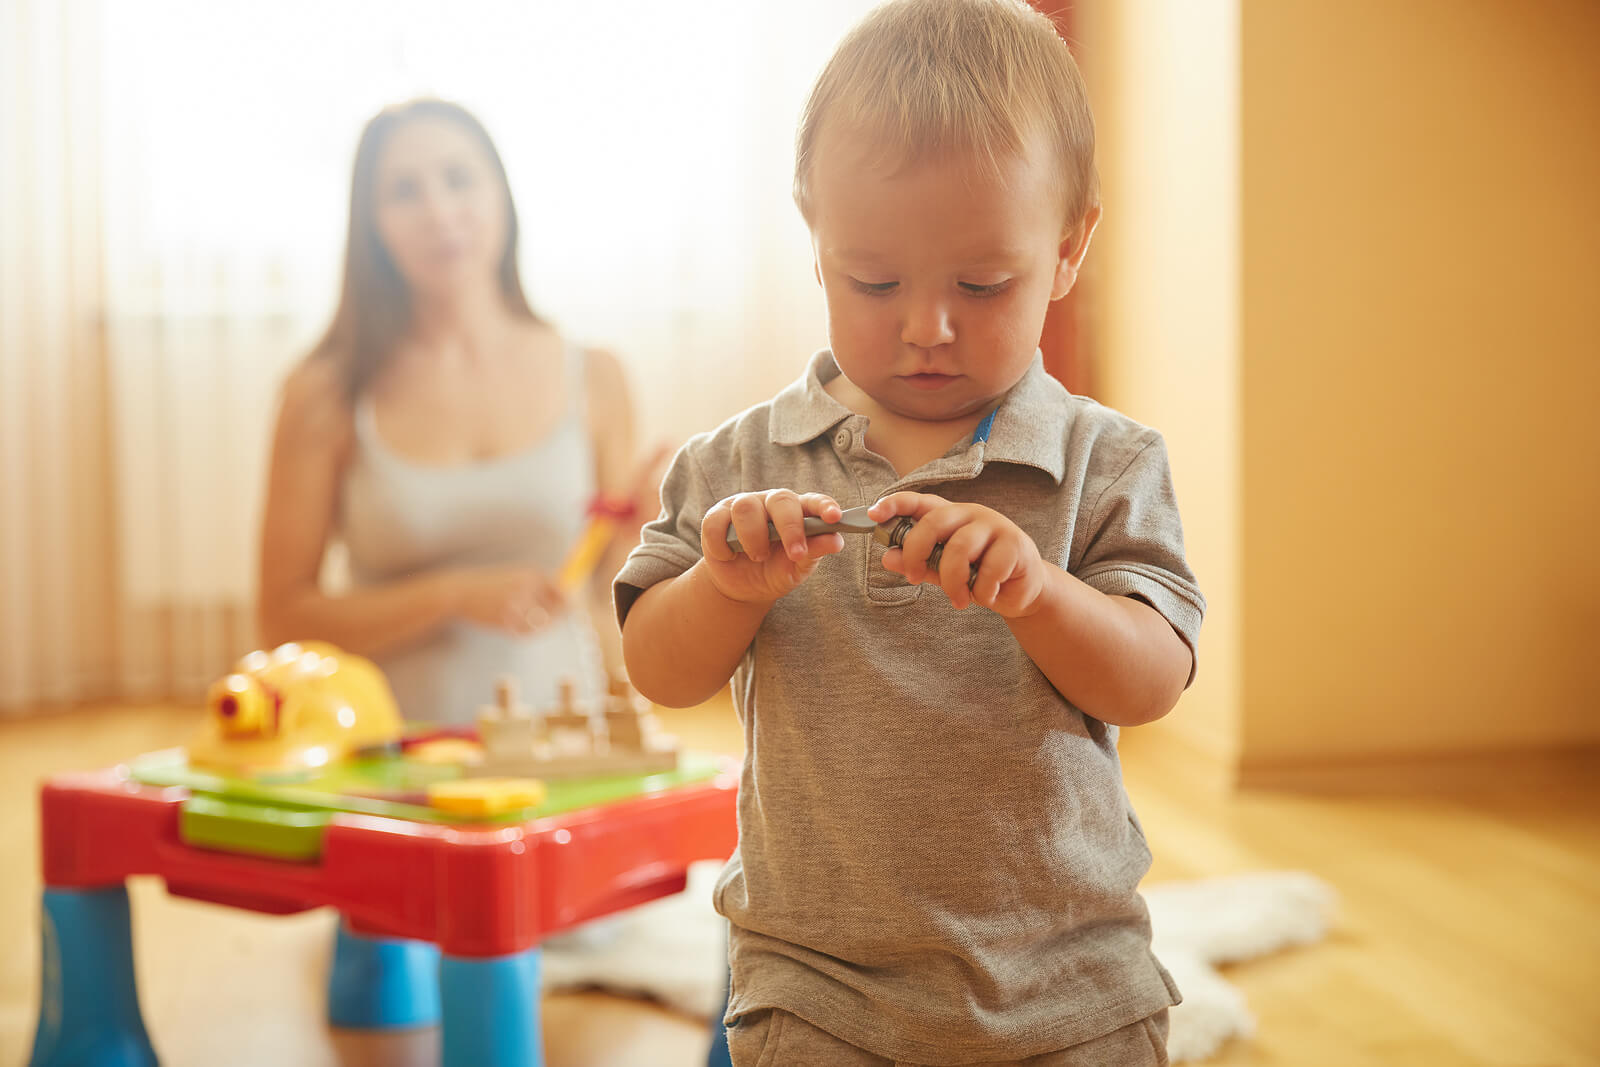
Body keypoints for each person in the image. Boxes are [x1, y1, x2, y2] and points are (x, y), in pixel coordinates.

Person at [617, 1, 1205, 1063]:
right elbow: (658, 668)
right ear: (814, 243)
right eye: (873, 281)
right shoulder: (734, 466)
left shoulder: (1106, 461)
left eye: (982, 284)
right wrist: (722, 587)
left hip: (1070, 988)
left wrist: (1038, 591)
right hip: (817, 989)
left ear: (1069, 247)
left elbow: (1151, 679)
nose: (925, 326)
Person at [258, 98, 651, 726]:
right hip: (387, 754)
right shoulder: (323, 393)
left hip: (567, 739)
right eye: (404, 191)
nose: (440, 212)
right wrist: (453, 596)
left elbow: (611, 595)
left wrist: (646, 532)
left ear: (502, 194)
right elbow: (281, 620)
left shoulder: (597, 377)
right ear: (372, 224)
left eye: (459, 178)